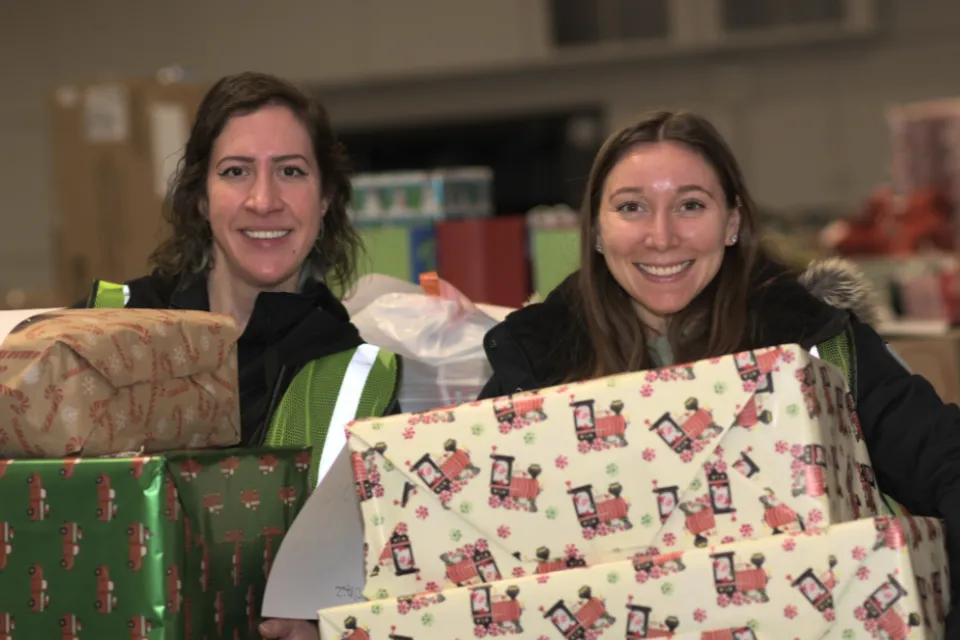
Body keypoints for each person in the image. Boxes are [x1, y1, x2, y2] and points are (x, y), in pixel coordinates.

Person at [479, 110, 960, 634]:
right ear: (596, 229)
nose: (661, 238)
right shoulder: (534, 365)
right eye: (632, 207)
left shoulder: (815, 342)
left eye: (690, 205)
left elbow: (944, 461)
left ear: (731, 222)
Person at [80, 72, 401, 640]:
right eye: (236, 172)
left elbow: (386, 580)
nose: (264, 200)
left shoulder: (359, 377)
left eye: (291, 171)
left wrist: (332, 628)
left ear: (325, 197)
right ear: (201, 198)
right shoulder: (110, 326)